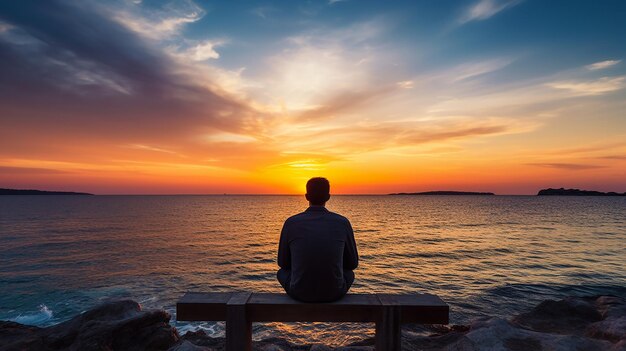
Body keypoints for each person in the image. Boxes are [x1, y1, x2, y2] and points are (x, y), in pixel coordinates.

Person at [277, 177, 359, 302]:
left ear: (306, 196)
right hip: (334, 293)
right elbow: (352, 264)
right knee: (349, 273)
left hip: (299, 293)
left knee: (281, 272)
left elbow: (283, 264)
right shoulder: (342, 222)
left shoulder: (291, 223)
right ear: (328, 197)